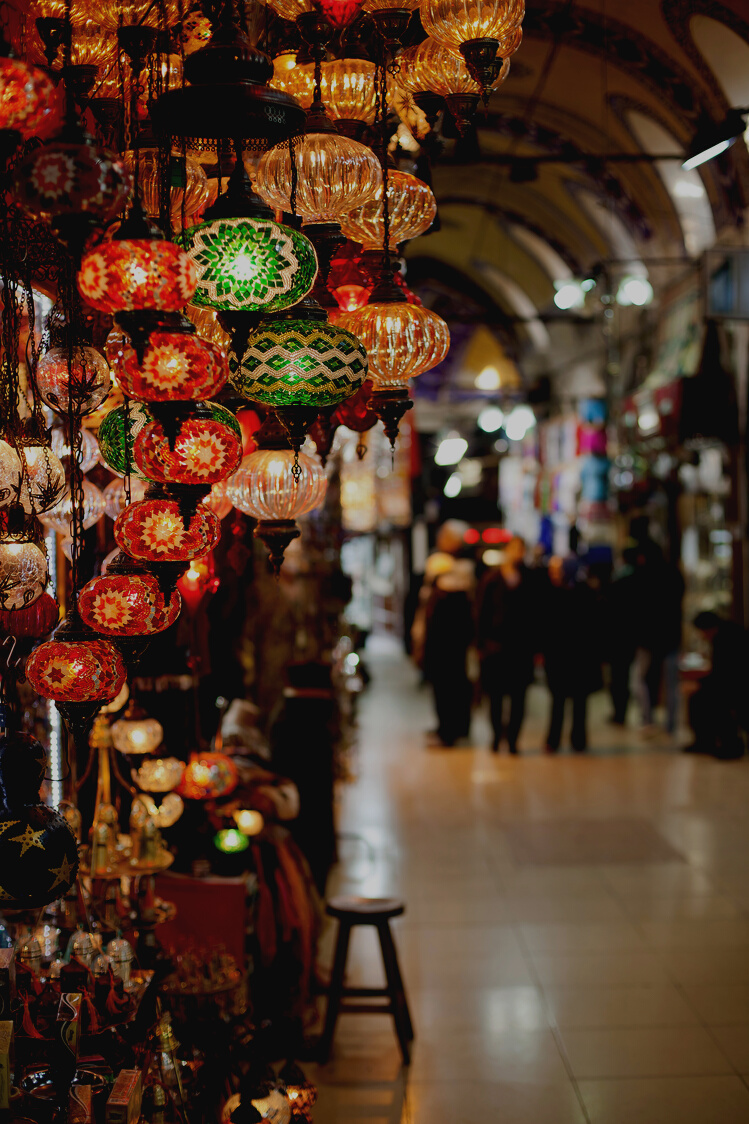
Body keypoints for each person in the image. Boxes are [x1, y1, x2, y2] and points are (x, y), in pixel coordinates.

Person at [475, 535, 536, 754]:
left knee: (519, 698)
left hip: (520, 649)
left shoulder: (529, 579)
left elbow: (536, 614)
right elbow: (481, 612)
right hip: (496, 648)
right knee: (496, 697)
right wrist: (481, 644)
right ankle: (495, 736)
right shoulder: (491, 579)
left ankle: (512, 739)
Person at [543, 556, 602, 753]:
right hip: (558, 656)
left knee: (579, 701)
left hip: (579, 657)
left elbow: (595, 627)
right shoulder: (551, 593)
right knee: (558, 700)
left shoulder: (585, 593)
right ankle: (554, 739)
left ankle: (578, 739)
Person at [632, 539, 684, 736]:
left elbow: (637, 609)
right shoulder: (673, 573)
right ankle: (671, 724)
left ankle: (647, 718)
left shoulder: (642, 576)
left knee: (640, 680)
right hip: (670, 636)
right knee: (671, 683)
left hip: (647, 638)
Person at [422, 559, 475, 746]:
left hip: (443, 655)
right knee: (455, 691)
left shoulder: (443, 597)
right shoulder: (462, 596)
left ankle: (447, 732)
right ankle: (455, 729)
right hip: (455, 655)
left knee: (445, 693)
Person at [687, 611, 748, 759]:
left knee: (713, 700)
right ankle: (707, 742)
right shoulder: (728, 632)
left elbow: (724, 673)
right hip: (735, 682)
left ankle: (729, 744)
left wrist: (699, 684)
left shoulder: (725, 638)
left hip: (739, 685)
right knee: (701, 697)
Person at [606, 545, 638, 725]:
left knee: (618, 677)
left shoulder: (618, 582)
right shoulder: (639, 580)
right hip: (630, 636)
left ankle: (619, 712)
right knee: (625, 677)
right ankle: (622, 711)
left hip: (618, 637)